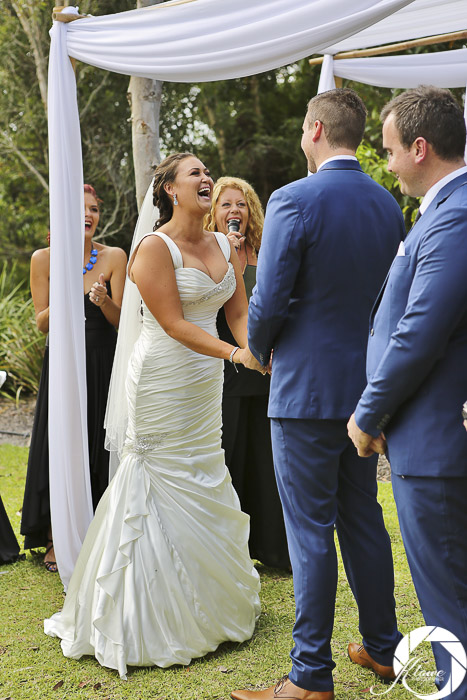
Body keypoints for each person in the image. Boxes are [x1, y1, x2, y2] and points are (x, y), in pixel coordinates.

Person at [44, 153, 261, 679]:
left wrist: (258, 351)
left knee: (205, 472)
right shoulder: (152, 248)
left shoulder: (224, 243)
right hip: (164, 378)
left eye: (208, 172)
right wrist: (235, 356)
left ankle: (210, 604)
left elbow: (235, 309)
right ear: (168, 189)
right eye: (195, 174)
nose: (207, 179)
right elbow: (170, 323)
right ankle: (142, 614)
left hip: (204, 383)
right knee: (155, 481)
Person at [231, 89, 405, 700]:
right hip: (367, 392)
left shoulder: (293, 199)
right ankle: (382, 649)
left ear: (314, 130)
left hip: (303, 391)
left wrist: (256, 347)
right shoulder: (388, 203)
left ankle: (309, 677)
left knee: (308, 532)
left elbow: (270, 297)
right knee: (362, 520)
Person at [348, 86, 467, 700]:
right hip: (431, 435)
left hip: (438, 440)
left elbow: (421, 329)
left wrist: (369, 414)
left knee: (447, 598)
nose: (388, 163)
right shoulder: (443, 211)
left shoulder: (457, 214)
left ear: (420, 148)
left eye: (392, 150)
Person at [20, 184, 127, 572]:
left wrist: (105, 301)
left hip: (102, 362)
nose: (89, 214)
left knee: (99, 443)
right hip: (63, 363)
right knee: (61, 443)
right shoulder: (43, 259)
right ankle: (54, 537)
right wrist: (68, 291)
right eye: (81, 208)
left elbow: (123, 322)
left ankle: (99, 531)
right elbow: (42, 323)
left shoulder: (115, 256)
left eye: (94, 208)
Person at [206, 176, 289, 570]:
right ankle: (229, 551)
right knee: (231, 459)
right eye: (225, 205)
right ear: (213, 212)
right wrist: (229, 258)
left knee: (267, 461)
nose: (234, 211)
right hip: (224, 368)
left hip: (267, 370)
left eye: (241, 204)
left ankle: (272, 548)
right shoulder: (207, 251)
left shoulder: (265, 252)